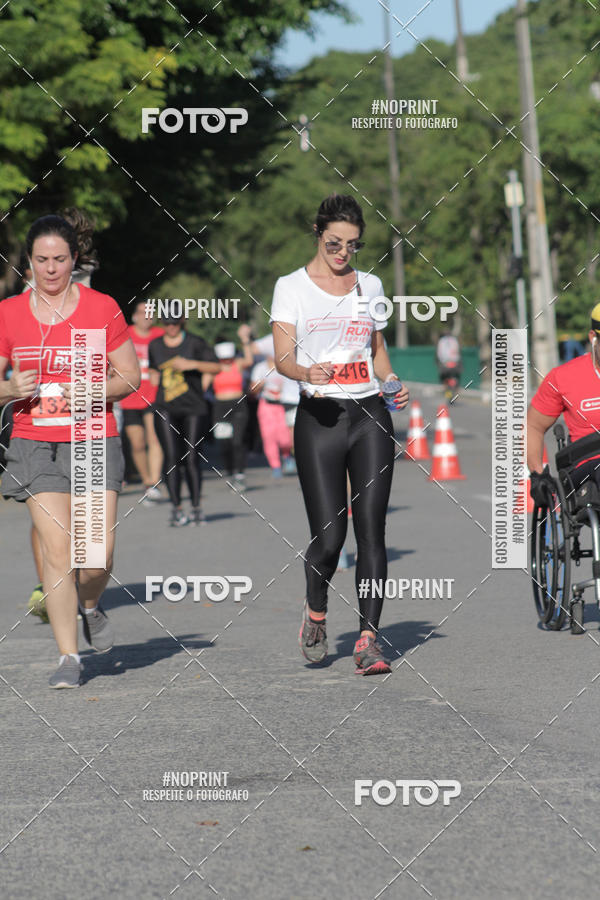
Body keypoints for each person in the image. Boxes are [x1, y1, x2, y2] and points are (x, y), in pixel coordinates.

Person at [270, 193, 409, 675]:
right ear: (318, 232)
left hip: (370, 415)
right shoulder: (291, 287)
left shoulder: (369, 284)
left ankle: (369, 641)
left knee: (372, 531)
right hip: (320, 420)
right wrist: (307, 373)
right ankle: (315, 611)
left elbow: (378, 350)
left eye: (353, 244)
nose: (343, 252)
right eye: (335, 242)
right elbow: (282, 357)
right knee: (330, 539)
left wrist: (391, 384)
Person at [0, 212, 140, 688]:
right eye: (42, 260)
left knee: (95, 556)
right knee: (58, 552)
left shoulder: (100, 308)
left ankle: (90, 604)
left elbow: (130, 377)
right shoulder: (10, 314)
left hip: (92, 437)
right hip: (34, 440)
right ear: (29, 263)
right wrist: (8, 388)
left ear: (74, 259)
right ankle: (69, 657)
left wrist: (95, 391)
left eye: (60, 259)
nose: (51, 269)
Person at [148, 314, 220, 526]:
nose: (171, 327)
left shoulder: (195, 342)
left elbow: (216, 367)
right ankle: (176, 508)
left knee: (191, 456)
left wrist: (192, 364)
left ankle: (196, 507)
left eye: (175, 323)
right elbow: (153, 372)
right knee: (171, 457)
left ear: (182, 323)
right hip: (165, 407)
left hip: (193, 407)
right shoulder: (155, 345)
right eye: (167, 323)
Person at [528, 303, 600, 501]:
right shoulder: (563, 377)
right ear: (594, 338)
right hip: (587, 468)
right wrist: (537, 474)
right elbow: (533, 426)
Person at [120, 300, 164, 502]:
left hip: (154, 396)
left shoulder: (160, 335)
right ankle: (147, 481)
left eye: (150, 313)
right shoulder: (124, 333)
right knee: (137, 444)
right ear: (134, 316)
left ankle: (154, 482)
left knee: (154, 439)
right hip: (129, 397)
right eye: (142, 312)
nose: (146, 316)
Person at [205, 324, 254, 491]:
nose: (227, 361)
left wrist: (245, 339)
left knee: (238, 441)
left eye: (229, 357)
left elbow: (249, 360)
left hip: (238, 405)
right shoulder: (213, 369)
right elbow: (202, 388)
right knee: (224, 443)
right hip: (220, 407)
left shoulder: (237, 364)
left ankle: (240, 475)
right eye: (224, 358)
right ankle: (231, 472)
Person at [249, 335, 298, 478]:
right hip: (266, 406)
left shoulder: (286, 365)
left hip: (284, 405)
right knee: (269, 437)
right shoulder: (260, 368)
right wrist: (259, 385)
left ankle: (287, 455)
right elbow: (252, 390)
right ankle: (275, 466)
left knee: (286, 438)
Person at [436, 331, 461, 401]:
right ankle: (455, 391)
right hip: (454, 362)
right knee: (456, 377)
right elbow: (457, 351)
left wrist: (441, 361)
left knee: (444, 380)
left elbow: (439, 353)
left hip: (445, 363)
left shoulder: (441, 341)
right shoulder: (454, 340)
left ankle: (448, 394)